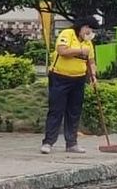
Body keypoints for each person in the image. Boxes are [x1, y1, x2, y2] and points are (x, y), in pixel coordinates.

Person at [41, 16, 100, 154]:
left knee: (74, 111)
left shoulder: (88, 43)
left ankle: (72, 143)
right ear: (82, 27)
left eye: (92, 30)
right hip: (59, 77)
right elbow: (62, 51)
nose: (90, 32)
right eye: (89, 29)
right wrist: (80, 51)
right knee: (56, 110)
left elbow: (91, 62)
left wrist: (93, 76)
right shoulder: (67, 34)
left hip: (78, 79)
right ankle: (48, 142)